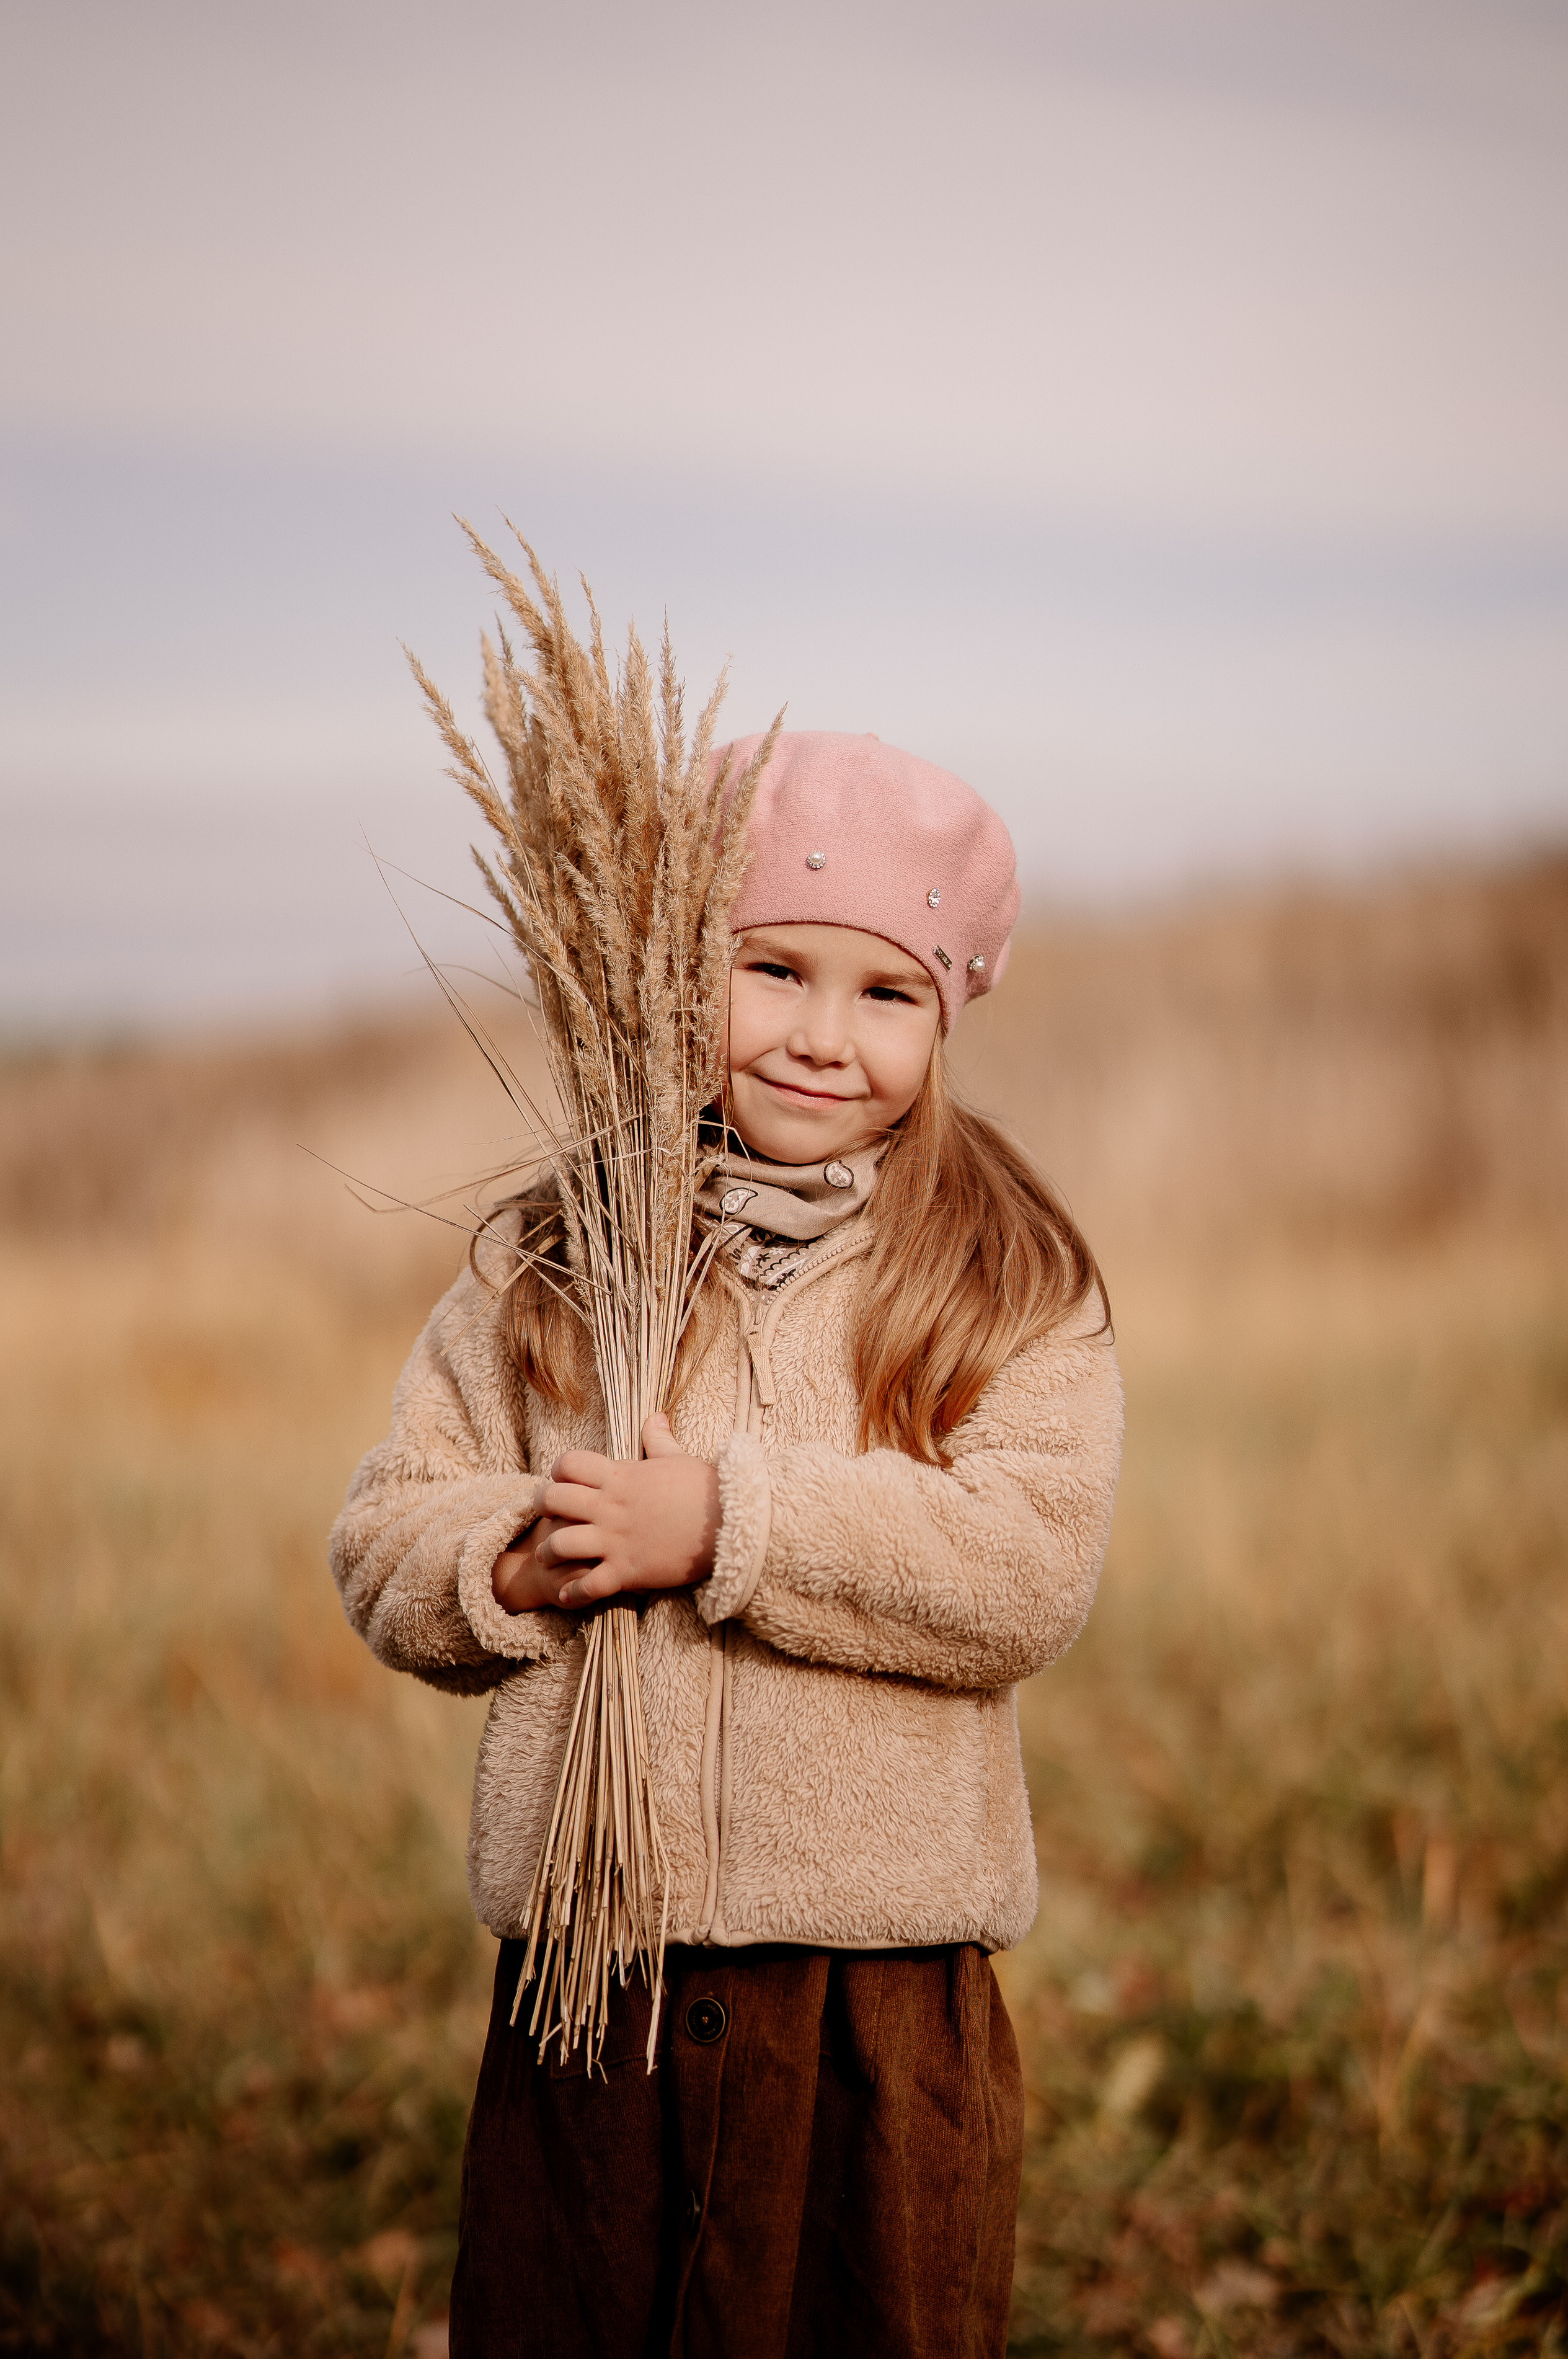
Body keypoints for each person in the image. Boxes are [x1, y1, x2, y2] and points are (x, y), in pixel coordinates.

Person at [330, 729, 1123, 2358]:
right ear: (677, 967)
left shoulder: (1002, 1273)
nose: (825, 1037)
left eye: (886, 993)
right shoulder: (553, 1263)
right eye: (772, 971)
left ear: (947, 1015)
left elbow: (1023, 1569)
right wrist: (512, 1564)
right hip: (594, 1970)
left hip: (875, 1993)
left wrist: (725, 1524)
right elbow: (384, 1537)